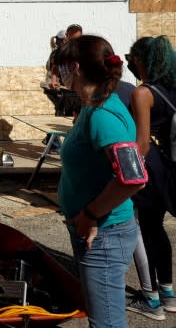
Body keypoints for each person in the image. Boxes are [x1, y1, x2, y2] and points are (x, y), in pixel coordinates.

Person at [55, 35, 144, 328]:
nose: (59, 74)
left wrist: (91, 215)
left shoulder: (103, 115)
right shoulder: (92, 107)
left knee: (106, 323)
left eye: (62, 67)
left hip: (104, 235)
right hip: (96, 232)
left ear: (76, 67)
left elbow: (133, 180)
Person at [125, 36, 176, 319]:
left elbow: (141, 143)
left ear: (141, 61)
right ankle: (168, 293)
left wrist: (126, 177)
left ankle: (151, 299)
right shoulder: (173, 87)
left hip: (152, 168)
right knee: (158, 231)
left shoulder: (142, 94)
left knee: (145, 230)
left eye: (131, 58)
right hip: (171, 166)